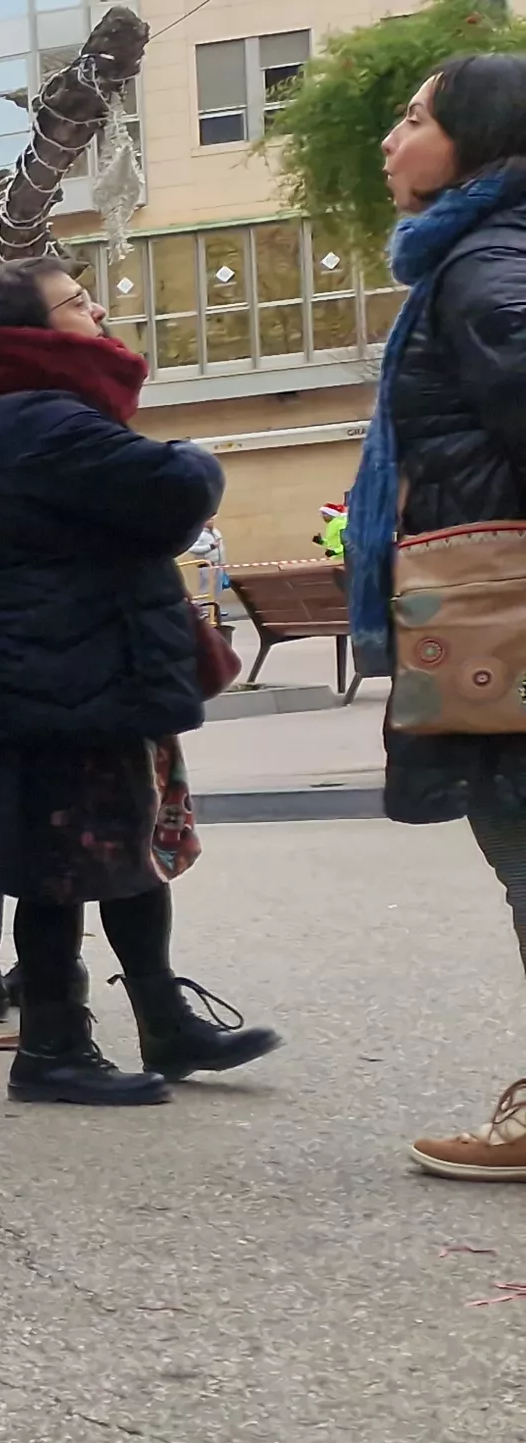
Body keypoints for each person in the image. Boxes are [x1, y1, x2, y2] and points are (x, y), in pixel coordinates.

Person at [0, 256, 280, 1105]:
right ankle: (52, 1048)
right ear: (29, 331)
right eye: (74, 302)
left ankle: (162, 1018)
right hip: (62, 677)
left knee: (122, 855)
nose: (95, 311)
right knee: (63, 867)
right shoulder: (38, 417)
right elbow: (173, 489)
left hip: (73, 669)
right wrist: (195, 455)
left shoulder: (15, 413)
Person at [353, 56, 526, 1176]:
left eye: (412, 119)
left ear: (476, 140)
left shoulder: (485, 264)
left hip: (497, 620)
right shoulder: (475, 258)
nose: (388, 139)